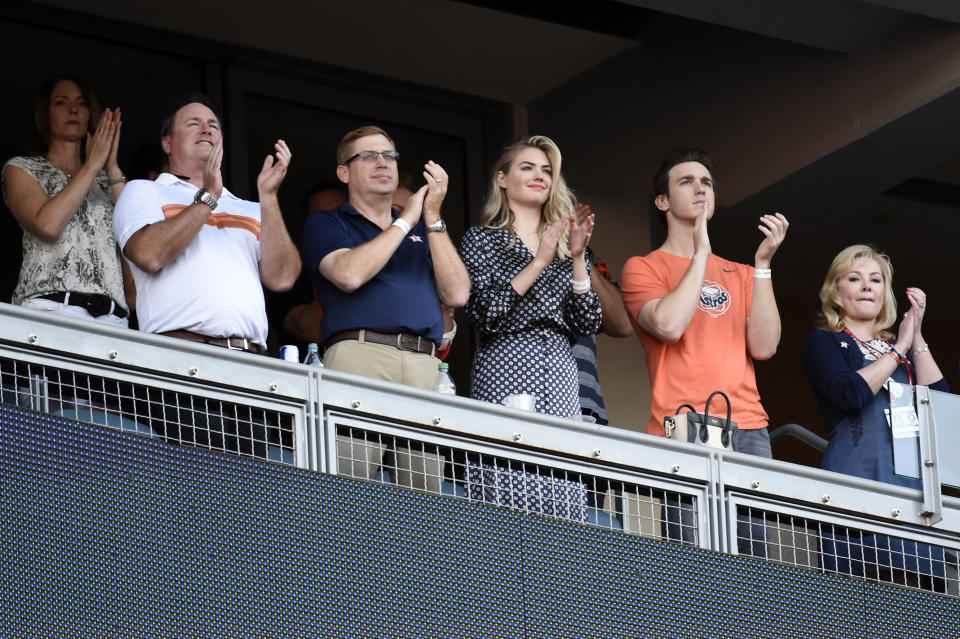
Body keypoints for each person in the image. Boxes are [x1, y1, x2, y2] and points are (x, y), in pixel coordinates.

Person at [621, 148, 788, 553]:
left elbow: (765, 347)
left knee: (755, 564)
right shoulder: (644, 267)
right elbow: (669, 325)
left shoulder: (743, 273)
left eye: (707, 183)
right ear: (663, 201)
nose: (701, 188)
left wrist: (763, 265)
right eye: (687, 181)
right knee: (696, 561)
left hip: (749, 426)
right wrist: (700, 255)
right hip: (684, 425)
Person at [804, 245, 948, 586]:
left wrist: (916, 338)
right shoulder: (824, 342)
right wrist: (898, 349)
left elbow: (940, 410)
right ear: (836, 292)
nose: (867, 286)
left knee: (924, 605)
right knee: (859, 604)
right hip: (858, 483)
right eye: (855, 279)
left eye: (876, 279)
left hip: (913, 492)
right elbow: (849, 393)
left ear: (885, 293)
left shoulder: (906, 350)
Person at [113, 95, 301, 355]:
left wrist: (268, 197)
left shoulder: (251, 208)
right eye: (194, 123)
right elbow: (149, 254)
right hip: (178, 352)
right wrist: (208, 197)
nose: (206, 129)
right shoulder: (144, 191)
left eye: (213, 125)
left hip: (250, 358)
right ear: (167, 143)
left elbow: (283, 278)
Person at [303, 125, 469, 387]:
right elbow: (349, 275)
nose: (382, 163)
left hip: (426, 361)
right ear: (343, 172)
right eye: (368, 156)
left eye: (389, 156)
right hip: (361, 354)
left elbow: (458, 294)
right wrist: (406, 221)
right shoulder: (327, 223)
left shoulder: (424, 229)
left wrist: (433, 217)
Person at [460, 136, 601, 418]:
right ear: (502, 178)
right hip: (506, 366)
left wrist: (576, 258)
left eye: (547, 170)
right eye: (527, 168)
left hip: (561, 371)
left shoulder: (566, 244)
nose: (539, 175)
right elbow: (484, 314)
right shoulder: (482, 240)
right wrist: (538, 263)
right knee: (506, 459)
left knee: (559, 460)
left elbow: (588, 322)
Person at [3, 75, 133, 325]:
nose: (73, 109)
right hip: (49, 311)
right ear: (45, 114)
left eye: (81, 103)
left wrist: (112, 168)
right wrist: (93, 164)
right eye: (61, 102)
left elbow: (134, 243)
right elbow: (48, 226)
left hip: (112, 320)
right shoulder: (23, 169)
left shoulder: (110, 181)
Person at [571, 203, 633, 425]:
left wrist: (575, 252)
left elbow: (623, 323)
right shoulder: (504, 242)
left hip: (584, 403)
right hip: (522, 397)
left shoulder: (584, 254)